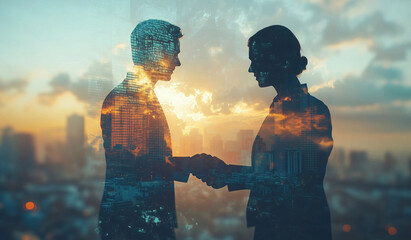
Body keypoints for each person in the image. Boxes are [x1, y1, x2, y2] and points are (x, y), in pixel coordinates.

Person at [194, 25, 333, 240]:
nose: (251, 69)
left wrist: (227, 174)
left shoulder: (310, 111)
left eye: (256, 59)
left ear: (284, 61)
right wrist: (225, 172)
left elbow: (294, 180)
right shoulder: (281, 108)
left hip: (297, 230)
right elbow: (277, 173)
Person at [99, 19, 188, 240]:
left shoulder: (141, 96)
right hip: (133, 225)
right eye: (173, 52)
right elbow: (135, 170)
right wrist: (193, 164)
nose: (178, 62)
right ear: (152, 48)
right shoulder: (125, 101)